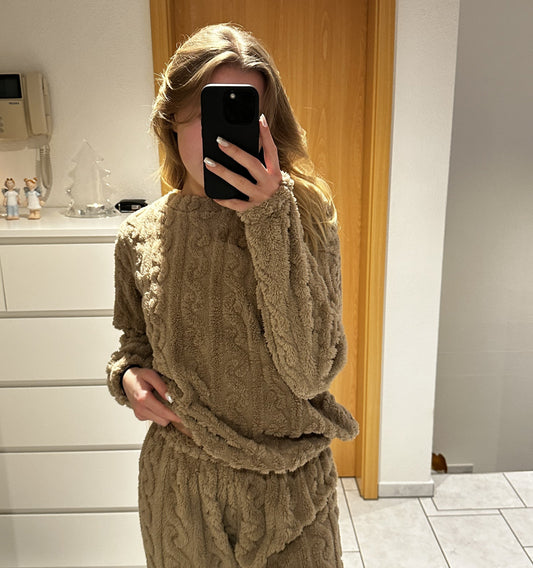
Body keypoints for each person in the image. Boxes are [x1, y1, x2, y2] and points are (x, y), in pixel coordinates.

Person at [106, 23, 358, 568]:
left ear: (266, 124)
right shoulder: (139, 235)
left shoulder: (307, 216)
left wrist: (269, 219)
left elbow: (310, 371)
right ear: (171, 119)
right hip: (182, 487)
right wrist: (127, 379)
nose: (220, 136)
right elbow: (134, 346)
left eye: (240, 113)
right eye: (206, 112)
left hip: (292, 492)